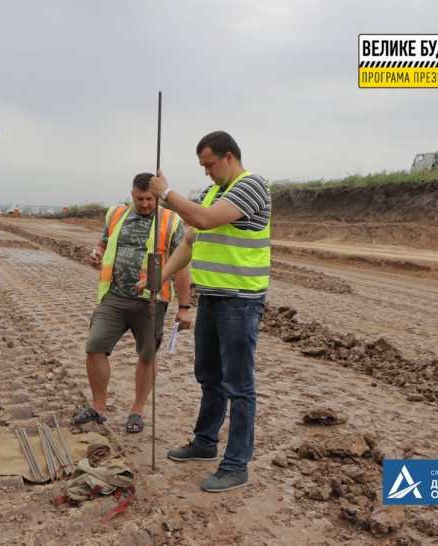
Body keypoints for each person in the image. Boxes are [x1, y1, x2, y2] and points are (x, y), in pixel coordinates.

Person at [135, 131, 270, 492]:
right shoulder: (212, 193)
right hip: (211, 299)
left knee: (239, 386)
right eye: (202, 167)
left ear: (229, 156)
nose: (207, 172)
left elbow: (208, 220)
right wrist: (158, 277)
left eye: (209, 164)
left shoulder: (252, 185)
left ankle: (236, 464)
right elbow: (189, 243)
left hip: (240, 301)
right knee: (208, 376)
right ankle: (205, 443)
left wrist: (167, 194)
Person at [72, 173, 192, 433]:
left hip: (152, 301)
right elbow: (103, 244)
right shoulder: (116, 215)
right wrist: (97, 255)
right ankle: (99, 407)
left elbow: (181, 264)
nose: (146, 204)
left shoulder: (171, 220)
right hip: (114, 296)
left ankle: (137, 411)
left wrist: (184, 306)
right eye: (140, 198)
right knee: (95, 346)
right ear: (132, 194)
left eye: (150, 198)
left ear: (157, 196)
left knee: (147, 355)